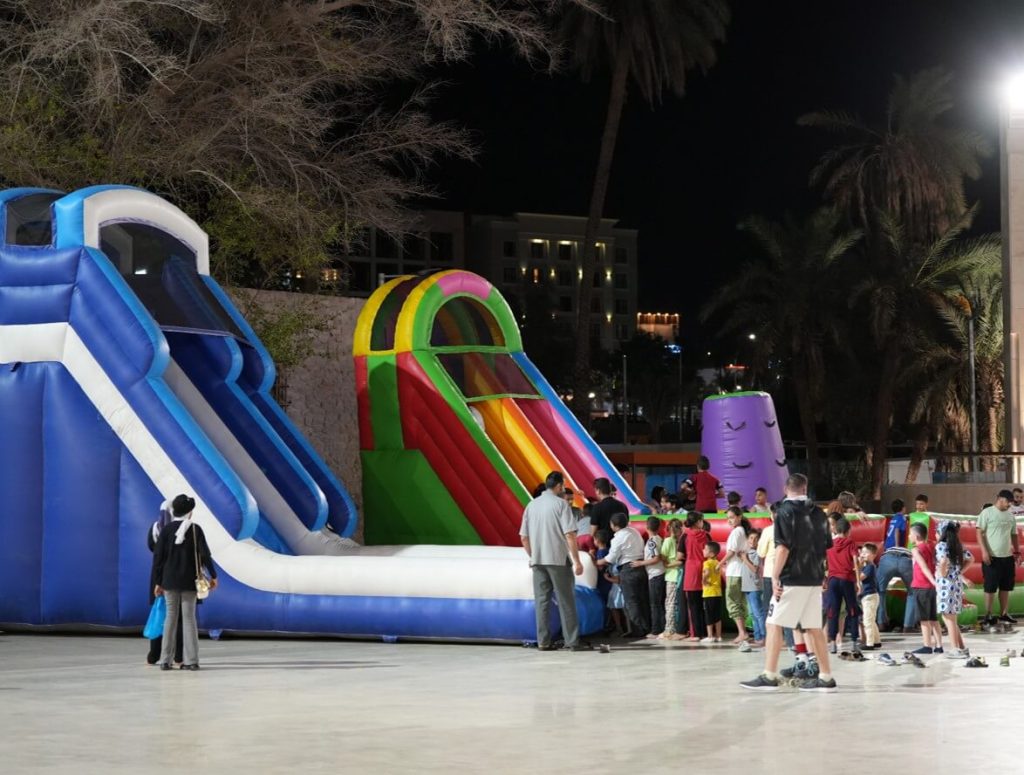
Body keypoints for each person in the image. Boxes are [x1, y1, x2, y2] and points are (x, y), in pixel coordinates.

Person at [741, 473, 837, 692]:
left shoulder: (784, 511)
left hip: (792, 578)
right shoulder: (819, 513)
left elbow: (783, 548)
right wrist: (823, 574)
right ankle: (825, 677)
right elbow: (825, 547)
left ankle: (769, 675)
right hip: (814, 577)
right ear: (805, 488)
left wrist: (775, 575)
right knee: (813, 627)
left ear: (786, 489)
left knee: (773, 624)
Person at [519, 471, 586, 651]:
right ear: (558, 486)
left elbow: (524, 537)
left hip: (538, 561)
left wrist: (533, 556)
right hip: (558, 560)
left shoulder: (531, 505)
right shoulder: (561, 504)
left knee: (542, 602)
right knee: (566, 601)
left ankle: (543, 641)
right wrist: (577, 561)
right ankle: (572, 642)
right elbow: (570, 535)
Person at [152, 494, 218, 671]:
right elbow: (205, 555)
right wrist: (213, 576)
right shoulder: (195, 530)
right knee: (189, 619)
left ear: (174, 511)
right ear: (190, 512)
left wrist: (157, 581)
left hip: (169, 580)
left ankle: (165, 660)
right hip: (190, 580)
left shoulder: (166, 530)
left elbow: (158, 558)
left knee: (170, 618)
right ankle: (192, 661)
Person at [596, 513, 649, 636]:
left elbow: (611, 558)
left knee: (631, 601)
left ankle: (637, 630)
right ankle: (646, 627)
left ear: (613, 525)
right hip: (641, 567)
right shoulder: (634, 532)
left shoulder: (618, 538)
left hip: (628, 569)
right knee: (642, 599)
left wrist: (598, 562)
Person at [146, 500, 183, 666]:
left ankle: (154, 654)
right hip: (178, 576)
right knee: (180, 618)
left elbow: (152, 548)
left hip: (158, 577)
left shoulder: (155, 529)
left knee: (160, 615)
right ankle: (179, 656)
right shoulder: (182, 529)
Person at [977, 489, 1020, 627]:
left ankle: (1004, 614)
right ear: (1000, 499)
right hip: (992, 557)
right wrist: (984, 552)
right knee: (990, 588)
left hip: (1007, 557)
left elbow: (1014, 535)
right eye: (1008, 502)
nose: (1009, 505)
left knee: (1005, 587)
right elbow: (979, 533)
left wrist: (1017, 552)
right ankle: (988, 615)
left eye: (1011, 503)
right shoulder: (987, 513)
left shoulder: (1010, 516)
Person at [757, 504, 794, 649]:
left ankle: (773, 640)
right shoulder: (793, 529)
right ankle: (791, 641)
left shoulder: (768, 531)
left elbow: (761, 552)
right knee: (788, 608)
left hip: (770, 574)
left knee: (770, 608)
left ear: (772, 515)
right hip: (789, 574)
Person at [935, 521, 974, 659]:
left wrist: (943, 573)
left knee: (948, 617)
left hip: (945, 585)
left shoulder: (941, 545)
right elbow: (971, 559)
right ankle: (962, 648)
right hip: (956, 584)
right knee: (952, 618)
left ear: (941, 532)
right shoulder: (958, 546)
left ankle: (954, 649)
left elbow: (943, 561)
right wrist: (959, 572)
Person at [825, 515, 861, 654]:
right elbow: (855, 561)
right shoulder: (851, 543)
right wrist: (858, 581)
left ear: (836, 529)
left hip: (833, 580)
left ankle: (833, 643)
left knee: (832, 611)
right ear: (848, 530)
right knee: (852, 609)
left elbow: (824, 562)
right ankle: (853, 642)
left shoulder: (829, 543)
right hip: (847, 579)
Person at [909, 522, 942, 654]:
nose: (909, 536)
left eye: (910, 534)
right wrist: (935, 583)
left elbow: (924, 567)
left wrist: (933, 582)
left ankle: (927, 645)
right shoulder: (931, 546)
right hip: (931, 588)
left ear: (916, 536)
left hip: (921, 586)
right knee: (933, 618)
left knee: (924, 619)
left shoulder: (916, 550)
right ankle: (939, 646)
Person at [634, 516, 666, 638]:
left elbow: (655, 558)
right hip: (660, 574)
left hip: (655, 575)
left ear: (647, 527)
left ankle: (656, 629)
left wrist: (640, 563)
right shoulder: (659, 539)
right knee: (660, 603)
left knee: (655, 604)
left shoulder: (652, 541)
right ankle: (663, 627)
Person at [722, 506, 750, 644]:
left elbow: (731, 551)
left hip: (734, 571)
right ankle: (743, 631)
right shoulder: (743, 531)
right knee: (741, 602)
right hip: (742, 571)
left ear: (739, 517)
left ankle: (742, 632)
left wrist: (719, 563)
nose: (729, 520)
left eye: (732, 517)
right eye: (728, 518)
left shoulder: (736, 532)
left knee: (733, 602)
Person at [682, 511, 709, 641]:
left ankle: (696, 634)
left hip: (691, 571)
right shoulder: (706, 535)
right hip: (705, 569)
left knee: (693, 605)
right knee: (705, 604)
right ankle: (706, 632)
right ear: (698, 522)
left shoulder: (685, 536)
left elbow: (680, 555)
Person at [659, 518, 684, 639]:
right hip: (680, 574)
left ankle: (669, 629)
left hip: (671, 576)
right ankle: (676, 627)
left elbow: (662, 556)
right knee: (677, 603)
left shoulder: (668, 541)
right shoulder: (681, 540)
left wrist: (667, 564)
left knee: (670, 603)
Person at [741, 528, 766, 648]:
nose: (753, 540)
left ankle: (764, 637)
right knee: (752, 614)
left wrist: (745, 559)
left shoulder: (756, 554)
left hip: (754, 587)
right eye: (751, 538)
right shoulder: (748, 552)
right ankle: (757, 637)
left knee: (758, 613)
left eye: (756, 539)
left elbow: (755, 569)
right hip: (747, 586)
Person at [858, 543, 881, 650]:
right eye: (862, 552)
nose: (863, 554)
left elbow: (860, 577)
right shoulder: (866, 566)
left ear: (873, 555)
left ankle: (869, 643)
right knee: (871, 619)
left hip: (870, 596)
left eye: (866, 553)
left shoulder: (870, 567)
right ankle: (877, 641)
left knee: (867, 621)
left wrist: (858, 565)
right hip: (868, 596)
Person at [701, 541, 723, 644]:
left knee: (709, 615)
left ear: (711, 553)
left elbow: (707, 572)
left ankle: (710, 636)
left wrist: (704, 580)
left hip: (709, 592)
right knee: (717, 615)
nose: (703, 550)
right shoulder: (717, 562)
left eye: (705, 549)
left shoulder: (707, 563)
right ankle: (718, 636)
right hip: (717, 592)